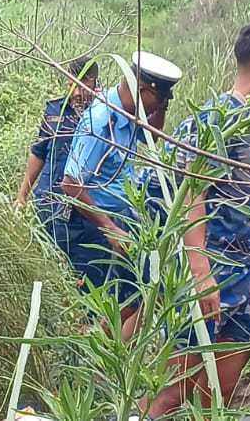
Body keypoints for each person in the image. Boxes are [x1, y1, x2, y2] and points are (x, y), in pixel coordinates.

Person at [140, 22, 250, 416]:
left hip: (241, 277)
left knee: (219, 389)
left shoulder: (249, 124)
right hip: (211, 275)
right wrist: (201, 272)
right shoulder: (218, 119)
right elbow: (193, 194)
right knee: (173, 389)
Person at [60, 51, 181, 314]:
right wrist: (109, 228)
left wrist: (161, 106)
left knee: (120, 301)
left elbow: (153, 135)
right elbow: (70, 184)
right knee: (91, 307)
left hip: (120, 224)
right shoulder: (103, 121)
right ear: (142, 90)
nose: (156, 109)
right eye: (157, 100)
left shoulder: (130, 112)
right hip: (93, 227)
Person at [15, 56, 100, 263]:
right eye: (72, 85)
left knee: (84, 271)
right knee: (49, 265)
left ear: (95, 83)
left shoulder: (103, 115)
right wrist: (22, 196)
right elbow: (39, 152)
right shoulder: (54, 111)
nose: (77, 93)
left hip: (85, 213)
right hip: (49, 205)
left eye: (83, 86)